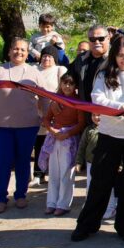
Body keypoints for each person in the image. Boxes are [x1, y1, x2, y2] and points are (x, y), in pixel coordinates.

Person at [72, 36, 124, 243]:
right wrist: (117, 108)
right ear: (114, 56)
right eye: (121, 55)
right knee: (100, 182)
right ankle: (87, 225)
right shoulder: (103, 76)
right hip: (109, 135)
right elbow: (97, 98)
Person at [0, 38, 46, 214]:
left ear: (27, 53)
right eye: (16, 49)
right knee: (2, 163)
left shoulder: (34, 72)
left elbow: (45, 97)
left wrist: (46, 116)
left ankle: (21, 195)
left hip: (28, 125)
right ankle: (0, 198)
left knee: (23, 161)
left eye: (23, 50)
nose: (19, 52)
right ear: (9, 51)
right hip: (1, 126)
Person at [39, 73, 84, 216]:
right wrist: (52, 130)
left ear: (75, 86)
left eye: (71, 84)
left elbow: (81, 123)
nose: (67, 86)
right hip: (54, 139)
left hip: (69, 141)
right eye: (65, 83)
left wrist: (67, 133)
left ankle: (63, 204)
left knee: (66, 173)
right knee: (53, 172)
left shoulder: (78, 102)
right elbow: (46, 119)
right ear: (61, 84)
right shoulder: (55, 100)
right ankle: (51, 202)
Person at [32, 45, 68, 186]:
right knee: (39, 143)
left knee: (54, 144)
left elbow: (64, 88)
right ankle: (38, 174)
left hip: (55, 111)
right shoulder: (34, 69)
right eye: (44, 56)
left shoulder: (60, 70)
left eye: (50, 56)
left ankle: (54, 173)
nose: (46, 58)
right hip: (36, 111)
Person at [75, 121, 117, 220]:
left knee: (110, 186)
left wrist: (120, 164)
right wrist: (79, 161)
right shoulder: (89, 130)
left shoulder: (113, 128)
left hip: (108, 163)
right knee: (90, 186)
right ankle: (89, 206)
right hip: (91, 163)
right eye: (94, 115)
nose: (96, 117)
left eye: (99, 115)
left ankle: (110, 208)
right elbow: (82, 146)